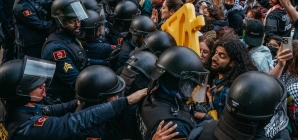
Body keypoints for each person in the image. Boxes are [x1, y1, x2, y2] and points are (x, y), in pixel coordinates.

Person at [0, 57, 148, 140]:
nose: (43, 87)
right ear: (20, 93)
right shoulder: (26, 127)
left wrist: (81, 100)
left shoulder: (20, 108)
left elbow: (50, 110)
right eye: (38, 86)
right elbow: (73, 122)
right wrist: (125, 101)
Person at [137, 46, 210, 139]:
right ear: (178, 82)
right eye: (191, 83)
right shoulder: (174, 127)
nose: (193, 87)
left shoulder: (148, 97)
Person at [41, 0, 106, 103]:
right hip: (64, 100)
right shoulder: (57, 49)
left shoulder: (70, 36)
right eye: (71, 21)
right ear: (59, 22)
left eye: (78, 20)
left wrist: (106, 63)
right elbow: (76, 82)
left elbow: (82, 61)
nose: (77, 25)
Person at [73, 65, 148, 140]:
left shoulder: (89, 111)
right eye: (114, 95)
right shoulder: (90, 132)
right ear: (100, 100)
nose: (118, 97)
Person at [207, 37, 257, 116]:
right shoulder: (221, 80)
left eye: (222, 56)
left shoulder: (228, 92)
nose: (214, 58)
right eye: (215, 53)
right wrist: (210, 100)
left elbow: (220, 123)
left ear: (233, 63)